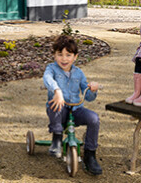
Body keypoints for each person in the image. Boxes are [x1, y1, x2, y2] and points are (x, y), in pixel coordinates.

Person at [43, 34, 102, 175]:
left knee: (94, 119)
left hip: (76, 109)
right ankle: (57, 138)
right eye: (60, 54)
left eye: (68, 55)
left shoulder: (79, 73)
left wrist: (92, 89)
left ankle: (90, 154)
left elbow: (88, 97)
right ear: (54, 55)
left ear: (75, 57)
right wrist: (57, 90)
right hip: (59, 111)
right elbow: (47, 79)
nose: (64, 59)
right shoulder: (51, 69)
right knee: (55, 104)